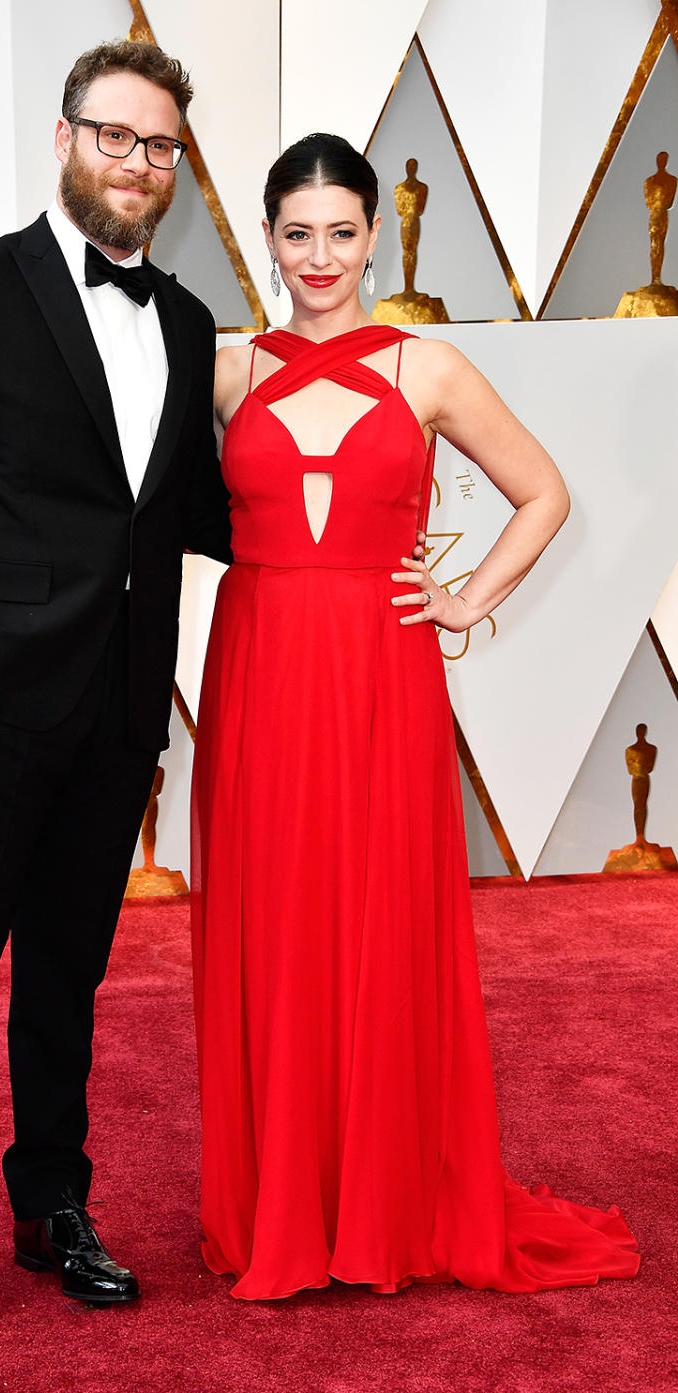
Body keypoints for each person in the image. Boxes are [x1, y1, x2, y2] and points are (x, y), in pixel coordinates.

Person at [191, 133, 640, 1301]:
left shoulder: (423, 369)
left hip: (384, 672)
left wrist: (464, 599)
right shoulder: (227, 369)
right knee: (277, 918)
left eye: (343, 232)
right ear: (269, 237)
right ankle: (286, 1199)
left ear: (376, 237)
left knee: (381, 915)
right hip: (261, 663)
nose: (322, 256)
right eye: (299, 233)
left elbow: (545, 492)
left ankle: (384, 1198)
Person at [0, 39, 231, 1336]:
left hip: (122, 708)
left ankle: (50, 1206)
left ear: (178, 169)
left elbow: (193, 509)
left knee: (68, 975)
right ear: (67, 139)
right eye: (116, 137)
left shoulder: (184, 321)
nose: (138, 163)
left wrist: (349, 518)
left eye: (161, 146)